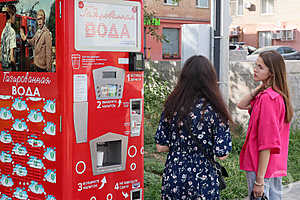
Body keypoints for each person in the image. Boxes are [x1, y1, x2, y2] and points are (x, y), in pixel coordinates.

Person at [155, 55, 232, 200]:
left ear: (183, 78)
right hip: (203, 180)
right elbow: (222, 153)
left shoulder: (171, 106)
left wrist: (181, 147)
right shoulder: (215, 110)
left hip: (174, 176)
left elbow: (161, 146)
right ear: (210, 80)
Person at [237, 50, 293, 200]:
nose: (255, 69)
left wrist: (259, 180)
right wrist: (262, 86)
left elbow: (267, 143)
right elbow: (241, 104)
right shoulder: (272, 95)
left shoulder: (269, 99)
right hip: (271, 166)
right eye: (256, 65)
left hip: (260, 167)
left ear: (272, 73)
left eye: (260, 67)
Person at [1, 5, 17, 71]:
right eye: (15, 16)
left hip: (2, 65)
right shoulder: (12, 31)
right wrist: (14, 69)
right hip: (9, 67)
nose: (15, 18)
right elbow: (12, 56)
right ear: (11, 15)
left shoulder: (3, 30)